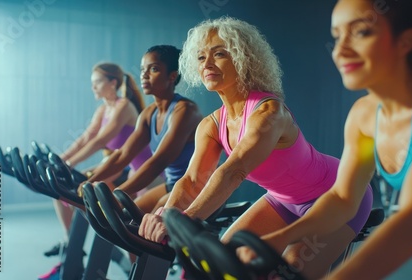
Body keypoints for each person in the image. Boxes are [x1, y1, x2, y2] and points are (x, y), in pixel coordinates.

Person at [241, 0, 412, 279]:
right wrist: (281, 238)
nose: (341, 51)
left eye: (361, 32)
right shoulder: (365, 117)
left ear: (406, 41)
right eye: (337, 36)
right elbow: (343, 198)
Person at [137, 16, 373, 279]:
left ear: (242, 58)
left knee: (288, 272)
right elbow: (192, 180)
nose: (208, 64)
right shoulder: (211, 125)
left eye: (219, 54)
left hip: (336, 193)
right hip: (282, 201)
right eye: (202, 57)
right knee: (221, 266)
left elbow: (233, 171)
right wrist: (166, 214)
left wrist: (186, 218)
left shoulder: (269, 113)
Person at [39, 62, 151, 279]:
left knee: (130, 231)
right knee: (61, 191)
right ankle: (72, 245)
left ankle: (130, 264)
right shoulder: (103, 108)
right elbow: (86, 138)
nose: (93, 88)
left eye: (97, 82)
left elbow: (101, 140)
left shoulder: (124, 106)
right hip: (119, 167)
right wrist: (61, 160)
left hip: (140, 172)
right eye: (92, 83)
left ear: (113, 83)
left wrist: (70, 164)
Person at [83, 45, 203, 214]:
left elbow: (158, 162)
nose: (144, 75)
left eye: (153, 69)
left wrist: (118, 194)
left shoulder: (185, 111)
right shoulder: (149, 114)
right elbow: (123, 155)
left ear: (172, 76)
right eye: (142, 70)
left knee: (144, 226)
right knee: (125, 217)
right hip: (171, 185)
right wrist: (89, 183)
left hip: (195, 187)